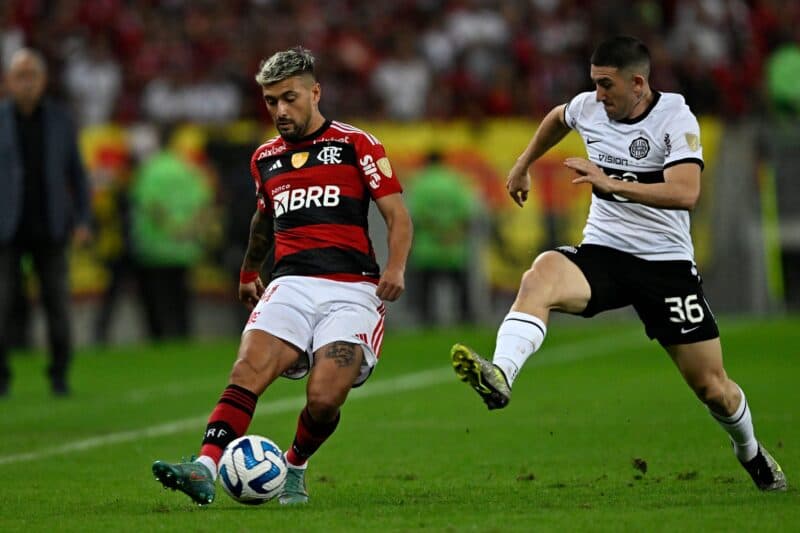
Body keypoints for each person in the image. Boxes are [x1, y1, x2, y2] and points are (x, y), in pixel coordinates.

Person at [450, 36, 787, 492]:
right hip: (605, 253)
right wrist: (523, 163)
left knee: (713, 388)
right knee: (541, 274)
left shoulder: (675, 117)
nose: (598, 95)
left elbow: (686, 192)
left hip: (664, 266)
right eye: (594, 84)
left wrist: (609, 182)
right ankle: (501, 374)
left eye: (606, 85)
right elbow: (558, 117)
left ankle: (750, 452)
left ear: (638, 83)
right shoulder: (590, 107)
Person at [152, 46, 413, 505]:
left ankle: (294, 464)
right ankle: (204, 467)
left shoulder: (357, 144)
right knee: (247, 369)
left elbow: (397, 215)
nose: (280, 110)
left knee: (324, 397)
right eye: (271, 101)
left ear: (316, 92)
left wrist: (395, 266)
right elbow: (262, 219)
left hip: (351, 291)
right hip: (288, 284)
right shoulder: (265, 158)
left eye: (289, 98)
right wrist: (251, 269)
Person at [0, 48, 92, 397]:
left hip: (51, 227)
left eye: (32, 76)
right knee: (2, 305)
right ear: (8, 81)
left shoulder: (59, 119)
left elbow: (77, 175)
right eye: (19, 76)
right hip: (6, 229)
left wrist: (82, 219)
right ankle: (2, 378)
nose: (26, 83)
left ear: (42, 81)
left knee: (57, 306)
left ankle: (59, 374)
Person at [128, 127, 213, 340]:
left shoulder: (150, 169)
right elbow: (204, 203)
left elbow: (149, 205)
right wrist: (188, 230)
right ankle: (182, 335)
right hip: (184, 248)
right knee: (181, 298)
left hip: (154, 248)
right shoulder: (188, 168)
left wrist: (170, 228)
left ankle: (158, 338)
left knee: (156, 300)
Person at [406, 150, 480, 324]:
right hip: (454, 247)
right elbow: (467, 214)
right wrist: (451, 233)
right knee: (461, 289)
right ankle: (466, 320)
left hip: (427, 249)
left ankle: (427, 323)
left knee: (425, 292)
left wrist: (437, 232)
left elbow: (417, 215)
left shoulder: (420, 183)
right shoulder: (456, 181)